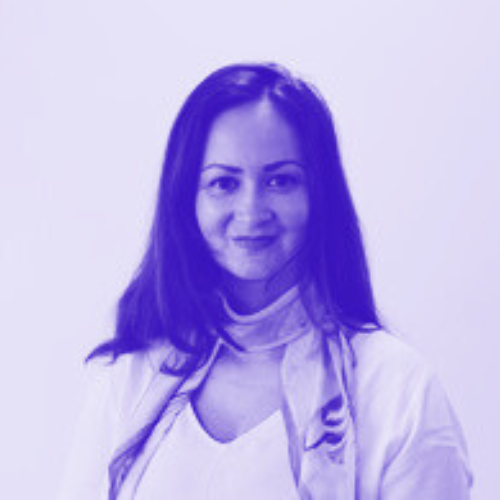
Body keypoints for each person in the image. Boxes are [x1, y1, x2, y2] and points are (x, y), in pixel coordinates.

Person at [58, 63, 473, 499]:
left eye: (280, 180)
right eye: (223, 183)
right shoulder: (131, 376)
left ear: (319, 195)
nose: (251, 211)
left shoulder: (397, 389)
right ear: (186, 200)